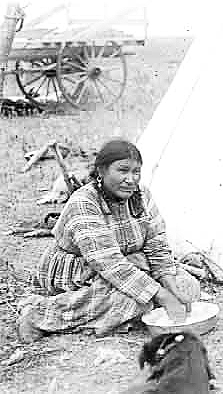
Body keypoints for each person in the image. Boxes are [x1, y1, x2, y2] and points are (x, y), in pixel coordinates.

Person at [17, 139, 201, 343]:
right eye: (123, 170)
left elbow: (157, 245)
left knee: (187, 286)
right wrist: (163, 296)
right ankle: (39, 315)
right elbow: (108, 262)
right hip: (82, 269)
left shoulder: (142, 195)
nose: (131, 179)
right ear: (101, 171)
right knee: (134, 300)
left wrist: (171, 287)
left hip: (132, 264)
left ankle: (123, 314)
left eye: (136, 172)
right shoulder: (84, 202)